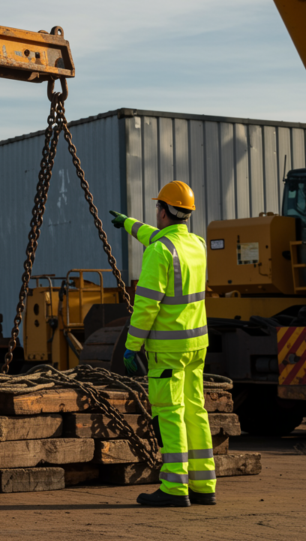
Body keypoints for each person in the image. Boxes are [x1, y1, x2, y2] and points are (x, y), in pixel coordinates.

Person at [109, 180, 216, 508]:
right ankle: (204, 485)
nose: (155, 212)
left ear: (164, 211)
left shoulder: (160, 251)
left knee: (169, 414)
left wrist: (132, 346)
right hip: (196, 346)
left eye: (158, 206)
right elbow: (156, 237)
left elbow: (146, 305)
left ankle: (174, 487)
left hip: (168, 350)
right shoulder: (196, 244)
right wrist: (128, 224)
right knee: (195, 411)